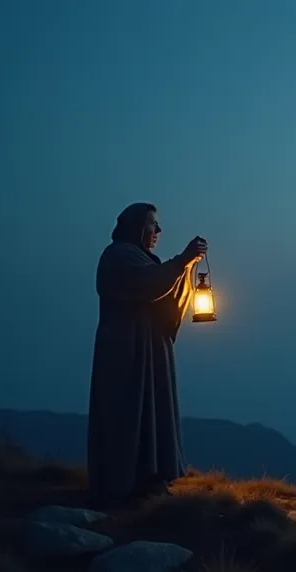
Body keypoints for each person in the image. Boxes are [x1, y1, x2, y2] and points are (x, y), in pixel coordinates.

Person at [86, 202, 208, 508]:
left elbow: (159, 284)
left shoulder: (139, 258)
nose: (158, 230)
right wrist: (182, 260)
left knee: (150, 409)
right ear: (136, 227)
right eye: (153, 224)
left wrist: (186, 265)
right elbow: (148, 284)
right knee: (127, 411)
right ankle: (123, 482)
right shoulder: (117, 257)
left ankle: (151, 477)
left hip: (150, 348)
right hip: (126, 351)